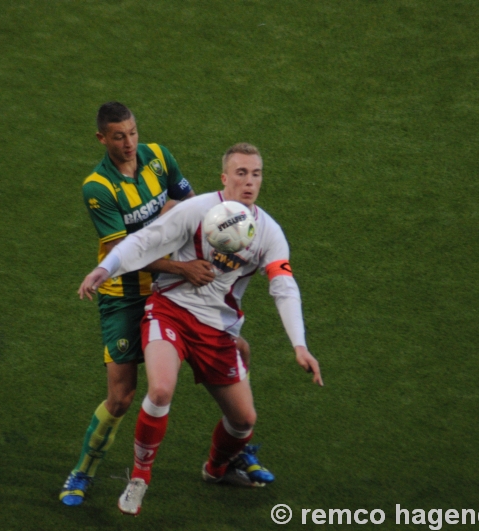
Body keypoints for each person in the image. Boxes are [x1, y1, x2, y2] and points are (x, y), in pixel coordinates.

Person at [77, 142, 323, 516]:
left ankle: (217, 469)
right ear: (224, 178)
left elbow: (283, 284)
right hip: (170, 312)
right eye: (240, 173)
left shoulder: (269, 233)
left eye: (255, 174)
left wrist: (299, 345)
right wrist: (103, 269)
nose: (249, 182)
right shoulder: (196, 210)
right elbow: (144, 241)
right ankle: (140, 478)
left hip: (218, 331)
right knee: (159, 390)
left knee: (244, 421)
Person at [60, 103, 266, 507]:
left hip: (172, 289)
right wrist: (179, 261)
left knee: (237, 351)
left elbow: (196, 211)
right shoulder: (98, 188)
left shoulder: (159, 156)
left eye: (133, 132)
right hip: (126, 296)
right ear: (102, 139)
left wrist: (188, 252)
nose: (130, 143)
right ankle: (82, 472)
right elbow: (126, 250)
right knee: (121, 396)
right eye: (119, 137)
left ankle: (237, 447)